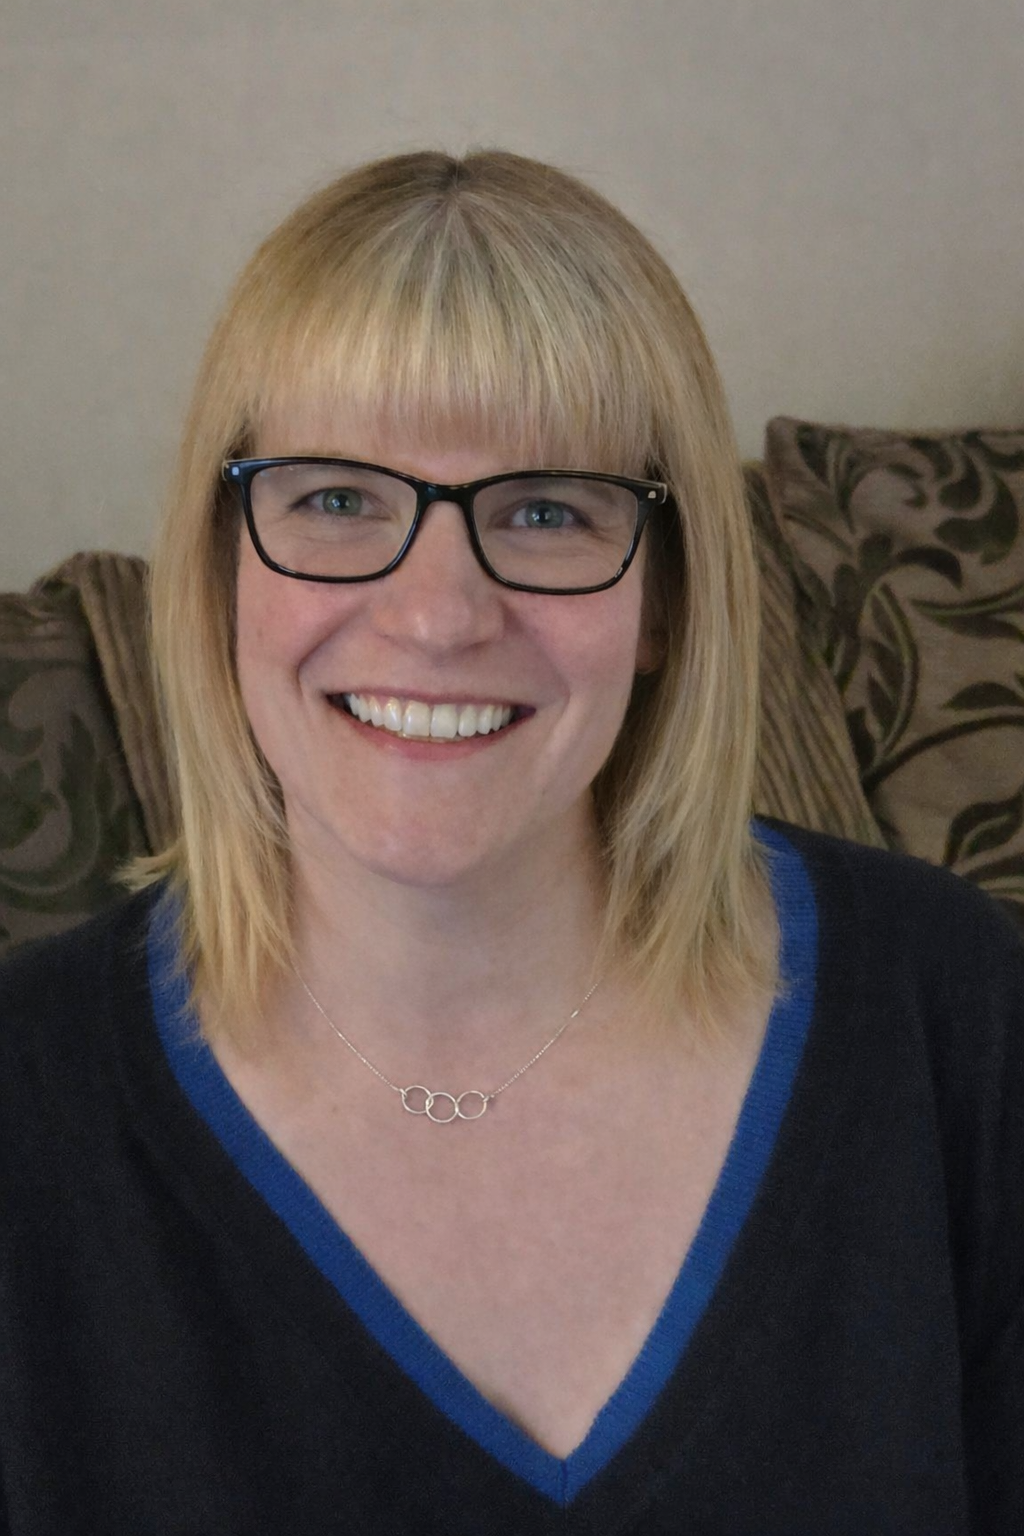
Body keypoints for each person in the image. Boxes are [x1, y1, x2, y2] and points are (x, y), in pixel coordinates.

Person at [0, 150, 1020, 1536]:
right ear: (219, 561)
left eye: (545, 511)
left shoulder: (948, 1009)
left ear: (666, 599)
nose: (436, 614)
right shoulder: (28, 1106)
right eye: (338, 499)